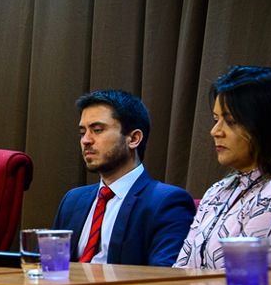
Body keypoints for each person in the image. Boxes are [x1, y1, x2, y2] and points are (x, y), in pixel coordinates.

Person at [174, 66, 271, 277]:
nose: (215, 131)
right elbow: (181, 270)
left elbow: (245, 282)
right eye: (216, 120)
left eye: (231, 121)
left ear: (269, 125)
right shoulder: (218, 190)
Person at [53, 90, 196, 266]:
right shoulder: (73, 200)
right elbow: (51, 265)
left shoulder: (167, 202)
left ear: (134, 138)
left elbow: (164, 275)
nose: (86, 140)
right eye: (83, 132)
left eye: (97, 130)